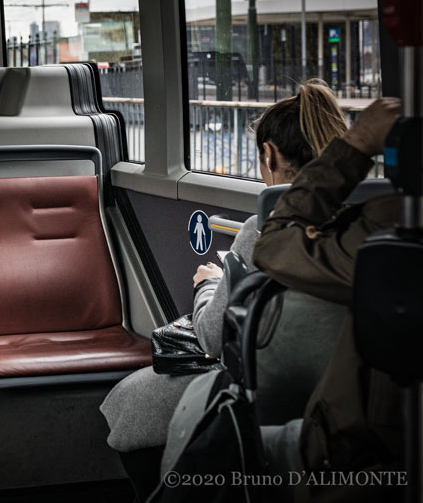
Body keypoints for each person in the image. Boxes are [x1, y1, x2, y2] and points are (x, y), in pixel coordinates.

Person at [100, 80, 349, 496]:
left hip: (274, 386)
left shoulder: (265, 228)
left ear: (268, 154)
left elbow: (213, 338)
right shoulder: (374, 218)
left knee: (130, 402)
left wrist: (209, 285)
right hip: (353, 382)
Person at [253, 96, 403, 499]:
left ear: (268, 155)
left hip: (363, 448)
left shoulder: (390, 229)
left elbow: (276, 242)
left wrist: (208, 288)